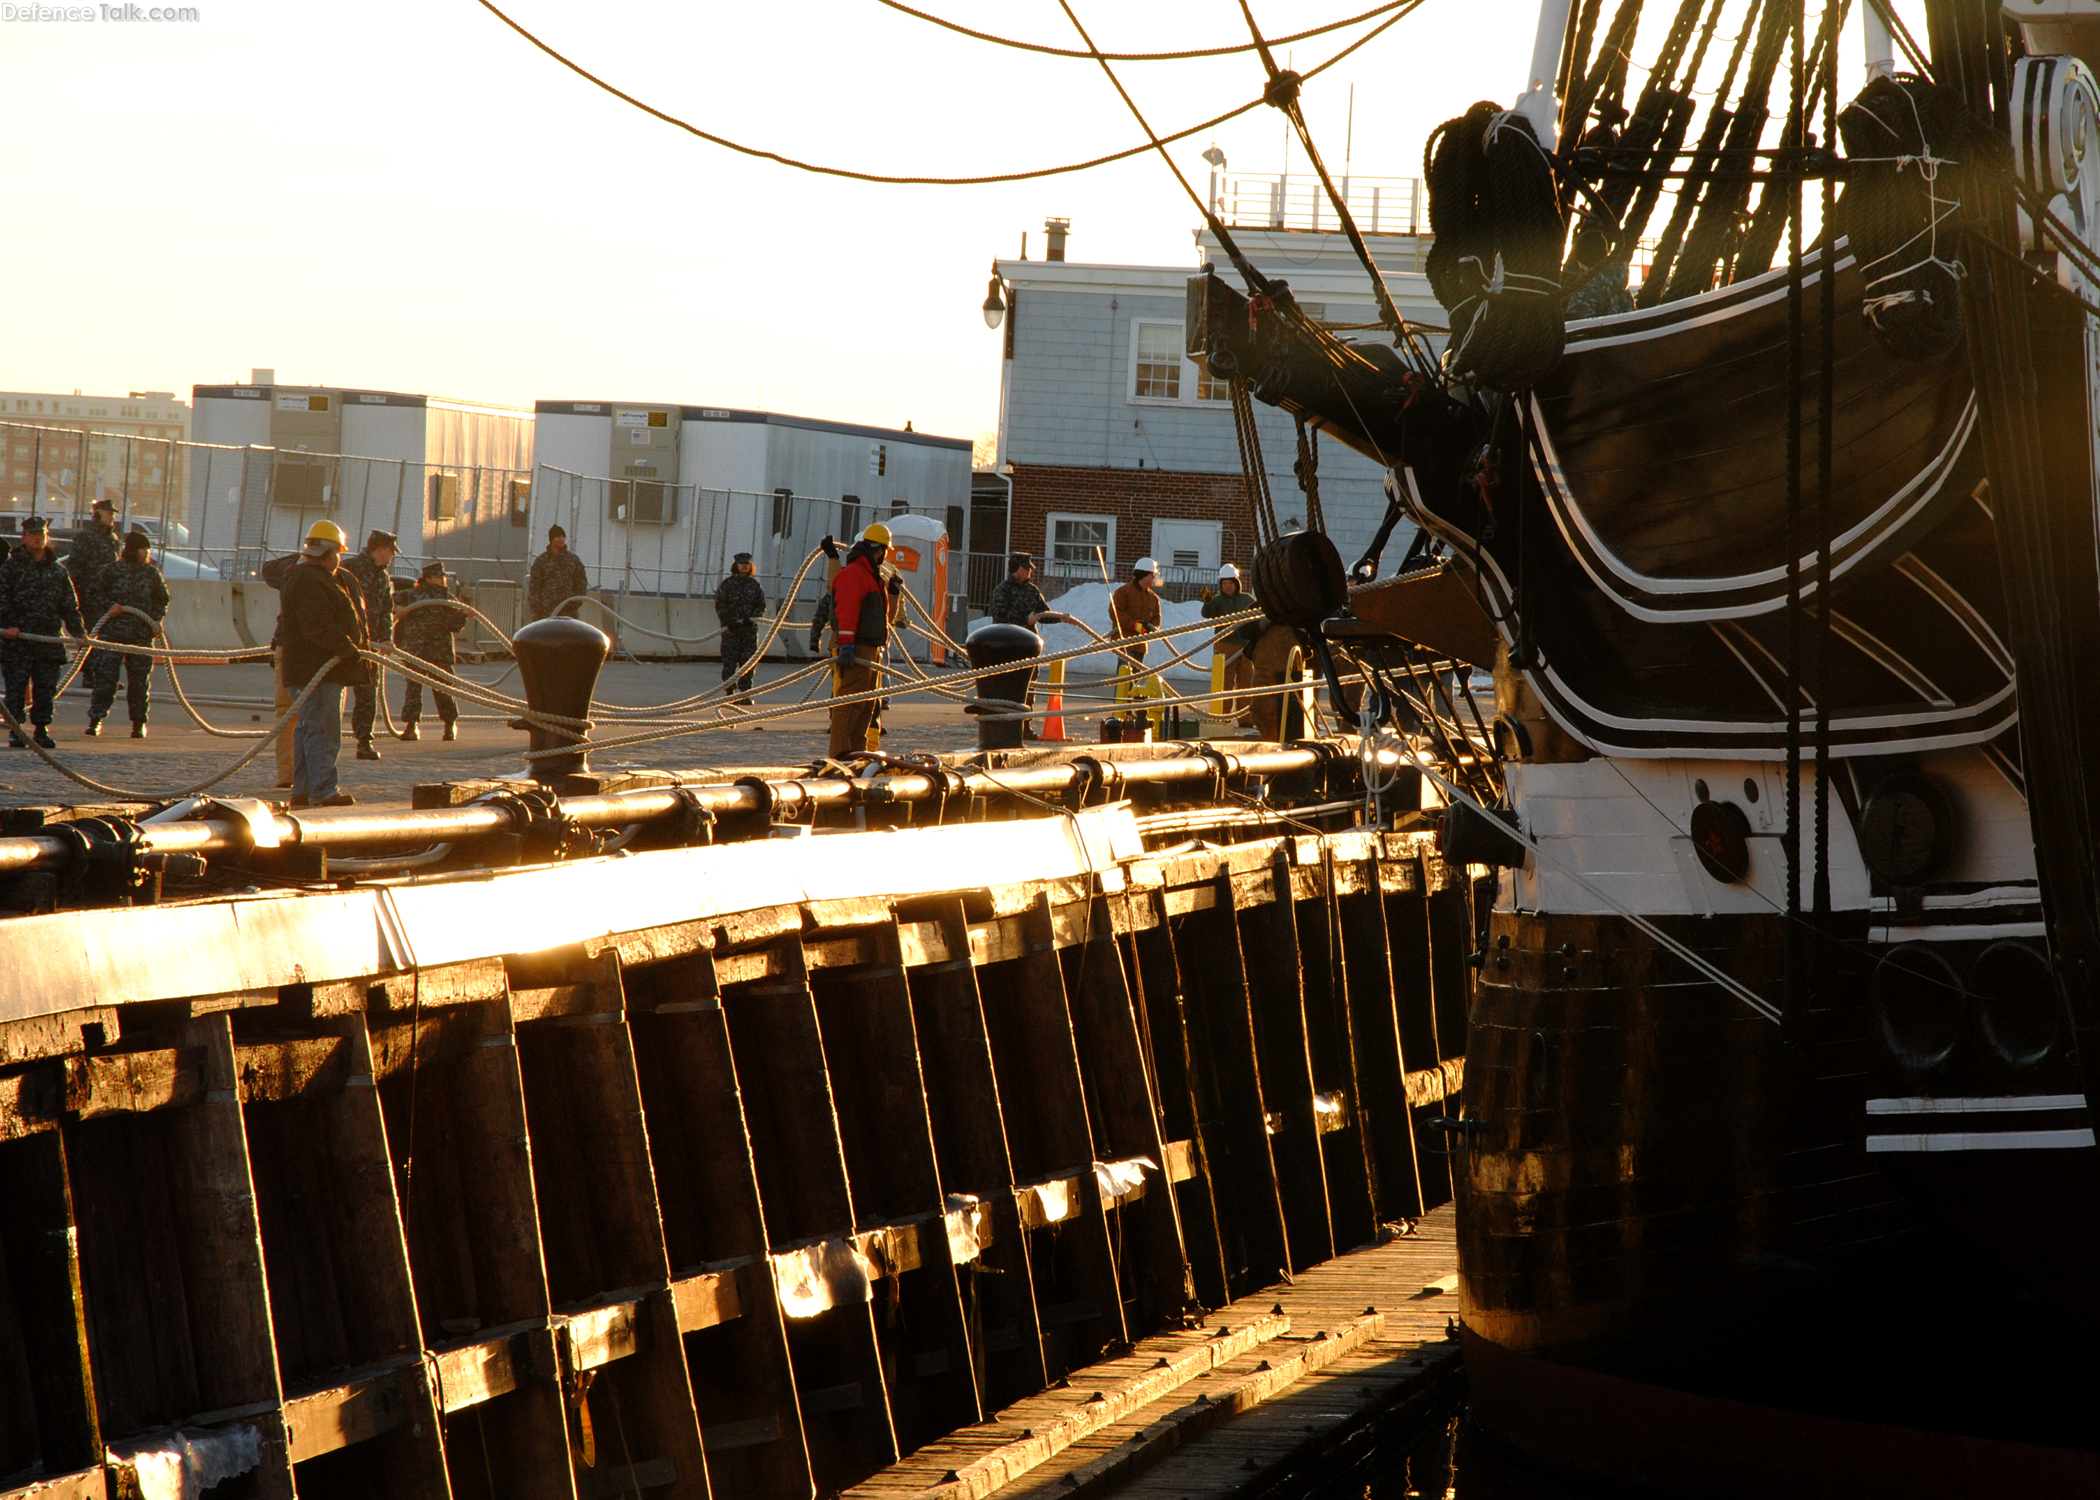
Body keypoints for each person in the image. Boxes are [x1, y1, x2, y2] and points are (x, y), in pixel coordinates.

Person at [276, 519, 372, 808]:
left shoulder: (310, 577)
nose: (338, 559)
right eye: (338, 553)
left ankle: (303, 791)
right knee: (323, 730)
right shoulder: (312, 580)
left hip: (311, 670)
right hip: (317, 670)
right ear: (329, 553)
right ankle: (323, 790)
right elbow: (317, 626)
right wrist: (348, 649)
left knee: (308, 728)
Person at [0, 516, 85, 749]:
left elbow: (69, 605)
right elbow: (2, 599)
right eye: (34, 534)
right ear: (24, 538)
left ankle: (41, 729)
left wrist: (79, 633)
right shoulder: (10, 568)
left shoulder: (57, 571)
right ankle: (16, 731)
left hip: (48, 641)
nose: (39, 537)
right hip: (18, 642)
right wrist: (8, 625)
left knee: (46, 690)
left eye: (42, 534)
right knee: (16, 690)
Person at [89, 529, 170, 739]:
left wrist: (155, 620)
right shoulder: (112, 571)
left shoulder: (151, 574)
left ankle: (138, 723)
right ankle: (96, 719)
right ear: (133, 550)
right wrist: (110, 605)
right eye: (142, 549)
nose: (145, 553)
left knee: (139, 682)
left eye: (147, 549)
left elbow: (162, 599)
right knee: (106, 679)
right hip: (112, 634)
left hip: (140, 635)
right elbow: (94, 592)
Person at [827, 522, 891, 758]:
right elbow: (847, 611)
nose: (884, 556)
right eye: (883, 550)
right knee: (849, 703)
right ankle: (840, 754)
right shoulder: (855, 574)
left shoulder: (871, 575)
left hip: (872, 649)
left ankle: (856, 753)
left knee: (866, 704)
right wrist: (846, 644)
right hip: (857, 649)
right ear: (877, 549)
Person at [395, 561, 468, 741]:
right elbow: (390, 598)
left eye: (443, 577)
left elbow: (454, 626)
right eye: (438, 577)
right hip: (416, 648)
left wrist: (463, 615)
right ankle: (411, 726)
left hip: (439, 650)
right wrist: (396, 608)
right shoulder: (411, 595)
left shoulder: (448, 598)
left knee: (443, 688)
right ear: (427, 578)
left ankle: (450, 724)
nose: (442, 580)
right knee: (413, 688)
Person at [341, 529, 398, 761]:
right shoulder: (350, 568)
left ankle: (364, 740)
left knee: (368, 692)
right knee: (332, 690)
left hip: (370, 643)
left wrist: (385, 637)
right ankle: (325, 741)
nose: (392, 557)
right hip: (344, 641)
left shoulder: (383, 577)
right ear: (381, 549)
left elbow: (386, 609)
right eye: (391, 552)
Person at [68, 498, 123, 734]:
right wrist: (79, 593)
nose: (111, 516)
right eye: (108, 512)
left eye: (112, 512)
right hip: (90, 595)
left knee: (105, 638)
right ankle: (90, 674)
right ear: (97, 513)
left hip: (107, 596)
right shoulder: (87, 536)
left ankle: (100, 677)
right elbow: (76, 566)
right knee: (91, 634)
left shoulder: (111, 538)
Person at [1202, 562, 1262, 726]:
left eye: (1230, 583)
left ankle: (1245, 718)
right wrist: (1208, 602)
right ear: (1221, 585)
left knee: (1246, 682)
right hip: (1225, 646)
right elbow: (1208, 614)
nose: (1228, 586)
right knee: (1225, 683)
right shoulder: (1218, 601)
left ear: (1237, 583)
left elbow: (1259, 615)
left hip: (1245, 647)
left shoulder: (1247, 599)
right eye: (1225, 583)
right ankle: (1223, 716)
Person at [713, 551, 766, 703]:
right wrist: (727, 620)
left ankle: (745, 693)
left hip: (749, 631)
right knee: (730, 662)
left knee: (748, 662)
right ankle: (730, 693)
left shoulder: (754, 585)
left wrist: (753, 618)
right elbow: (720, 604)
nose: (744, 566)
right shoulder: (727, 584)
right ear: (736, 565)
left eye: (747, 564)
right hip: (731, 631)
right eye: (741, 564)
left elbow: (761, 605)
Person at [528, 524, 589, 622]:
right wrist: (536, 612)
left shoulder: (573, 560)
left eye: (563, 536)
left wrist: (574, 603)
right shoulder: (542, 561)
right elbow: (534, 587)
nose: (561, 539)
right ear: (551, 539)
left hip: (569, 612)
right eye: (558, 537)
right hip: (546, 612)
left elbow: (581, 583)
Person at [987, 553, 1060, 629]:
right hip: (1007, 638)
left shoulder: (1032, 590)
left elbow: (1043, 613)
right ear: (1016, 568)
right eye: (1026, 567)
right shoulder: (1002, 590)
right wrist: (1026, 620)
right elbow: (1000, 618)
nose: (1029, 570)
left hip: (1028, 639)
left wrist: (1060, 617)